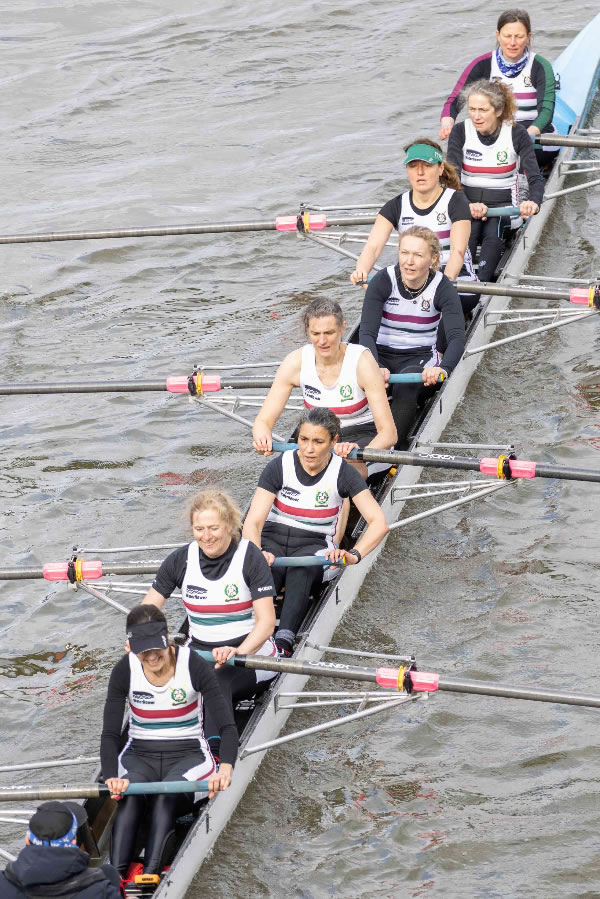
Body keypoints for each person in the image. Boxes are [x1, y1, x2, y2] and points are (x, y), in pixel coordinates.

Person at [100, 603, 238, 879]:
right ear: (131, 646)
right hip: (139, 755)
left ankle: (152, 875)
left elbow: (227, 726)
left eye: (157, 649)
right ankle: (114, 879)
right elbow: (110, 734)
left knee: (165, 795)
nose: (151, 657)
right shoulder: (124, 670)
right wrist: (111, 776)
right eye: (143, 651)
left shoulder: (194, 665)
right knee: (130, 793)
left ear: (168, 638)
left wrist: (227, 768)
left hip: (189, 756)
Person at [141, 489, 277, 758]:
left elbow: (267, 623)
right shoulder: (180, 560)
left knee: (215, 679)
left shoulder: (250, 557)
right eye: (199, 529)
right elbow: (146, 610)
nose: (206, 536)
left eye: (213, 528)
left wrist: (238, 652)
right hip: (200, 650)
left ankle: (216, 757)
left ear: (229, 525)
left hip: (252, 654)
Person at [243, 407, 389, 656]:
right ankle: (250, 636)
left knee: (301, 568)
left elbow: (379, 523)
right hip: (272, 538)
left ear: (334, 441)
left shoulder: (343, 473)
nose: (309, 449)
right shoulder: (280, 465)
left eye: (318, 441)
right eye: (303, 439)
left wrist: (354, 554)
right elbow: (253, 523)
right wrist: (256, 553)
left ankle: (284, 644)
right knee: (264, 568)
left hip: (313, 546)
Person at [252, 297, 397, 479]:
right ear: (308, 332)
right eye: (315, 333)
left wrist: (361, 452)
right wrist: (262, 436)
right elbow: (263, 421)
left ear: (342, 327)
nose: (322, 341)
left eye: (329, 333)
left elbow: (389, 434)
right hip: (318, 437)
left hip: (364, 435)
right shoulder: (295, 362)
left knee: (340, 474)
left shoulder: (362, 362)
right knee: (278, 474)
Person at [359, 226, 465, 450]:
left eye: (417, 255)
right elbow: (366, 333)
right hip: (381, 356)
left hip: (420, 360)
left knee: (406, 383)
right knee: (355, 377)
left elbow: (456, 338)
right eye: (404, 253)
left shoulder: (443, 287)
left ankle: (392, 450)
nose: (409, 261)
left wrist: (443, 369)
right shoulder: (383, 280)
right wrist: (374, 366)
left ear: (433, 258)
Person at [351, 138, 478, 321]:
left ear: (440, 168)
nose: (420, 172)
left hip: (456, 280)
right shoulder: (395, 206)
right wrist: (361, 271)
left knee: (426, 307)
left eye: (427, 165)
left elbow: (458, 253)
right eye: (413, 166)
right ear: (407, 170)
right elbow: (373, 247)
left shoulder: (456, 202)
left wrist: (440, 288)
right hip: (414, 279)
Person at [446, 79, 544, 282]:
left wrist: (533, 202)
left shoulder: (517, 134)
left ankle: (480, 286)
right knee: (468, 234)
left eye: (483, 110)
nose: (476, 116)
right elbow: (451, 179)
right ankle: (462, 284)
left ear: (498, 111)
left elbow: (534, 177)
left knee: (493, 230)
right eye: (472, 109)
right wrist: (467, 204)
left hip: (505, 208)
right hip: (469, 206)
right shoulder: (460, 131)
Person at [439, 8, 557, 164]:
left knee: (516, 156)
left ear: (528, 37)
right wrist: (448, 122)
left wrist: (527, 135)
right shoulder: (483, 64)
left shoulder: (540, 66)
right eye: (507, 36)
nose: (512, 43)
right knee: (460, 143)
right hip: (495, 133)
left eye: (519, 36)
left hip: (535, 135)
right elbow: (455, 99)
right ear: (498, 36)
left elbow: (546, 112)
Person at [1, 800, 121, 897]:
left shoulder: (2, 884)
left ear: (27, 839)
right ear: (73, 841)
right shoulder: (101, 890)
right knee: (109, 871)